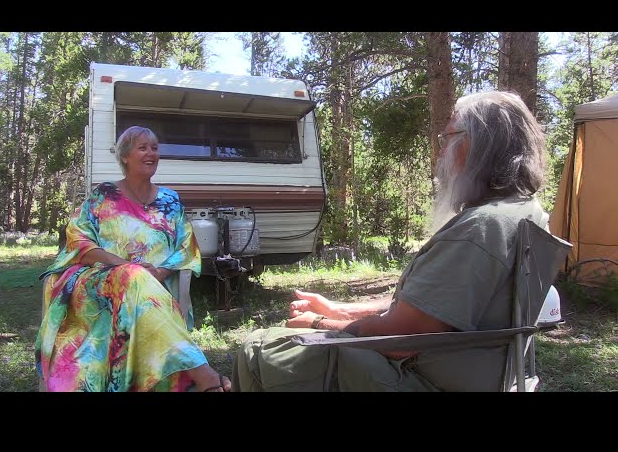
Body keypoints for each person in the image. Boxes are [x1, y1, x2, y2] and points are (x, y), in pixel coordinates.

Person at [231, 90, 549, 392]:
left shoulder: (482, 228)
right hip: (464, 369)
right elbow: (424, 311)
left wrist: (319, 322)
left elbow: (402, 340)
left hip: (419, 379)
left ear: (476, 146)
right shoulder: (522, 212)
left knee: (259, 347)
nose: (439, 152)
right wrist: (338, 308)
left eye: (446, 138)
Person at [35, 126, 231, 392]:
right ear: (125, 156)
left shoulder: (170, 200)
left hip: (154, 284)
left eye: (154, 147)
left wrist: (159, 273)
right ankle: (204, 374)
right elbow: (79, 241)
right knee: (134, 276)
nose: (151, 153)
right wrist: (126, 267)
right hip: (102, 283)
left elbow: (186, 246)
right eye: (143, 147)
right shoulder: (104, 195)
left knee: (139, 280)